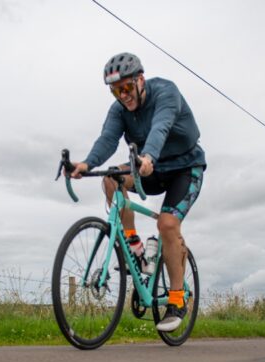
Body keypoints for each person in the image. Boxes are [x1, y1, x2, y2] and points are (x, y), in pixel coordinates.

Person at [70, 52, 207, 332]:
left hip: (185, 167)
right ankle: (136, 248)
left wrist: (149, 158)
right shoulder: (119, 110)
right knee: (112, 179)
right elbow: (107, 139)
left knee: (167, 224)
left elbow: (160, 127)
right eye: (115, 91)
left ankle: (177, 300)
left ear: (140, 80)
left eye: (127, 88)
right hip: (149, 166)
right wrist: (86, 163)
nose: (123, 95)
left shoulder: (166, 92)